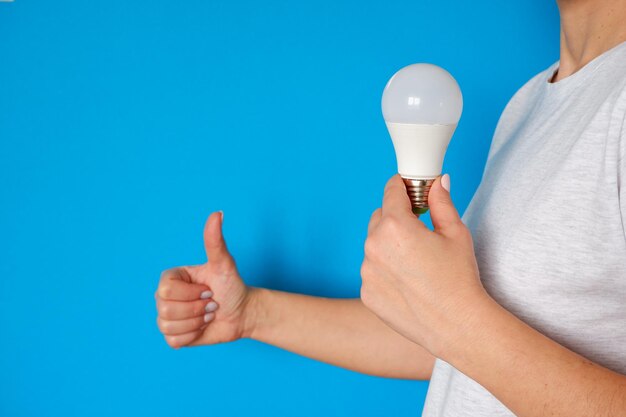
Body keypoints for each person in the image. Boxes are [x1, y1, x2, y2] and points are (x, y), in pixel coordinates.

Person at [154, 0, 626, 414]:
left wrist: (457, 318)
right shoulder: (532, 103)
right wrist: (250, 313)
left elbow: (460, 329)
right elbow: (459, 349)